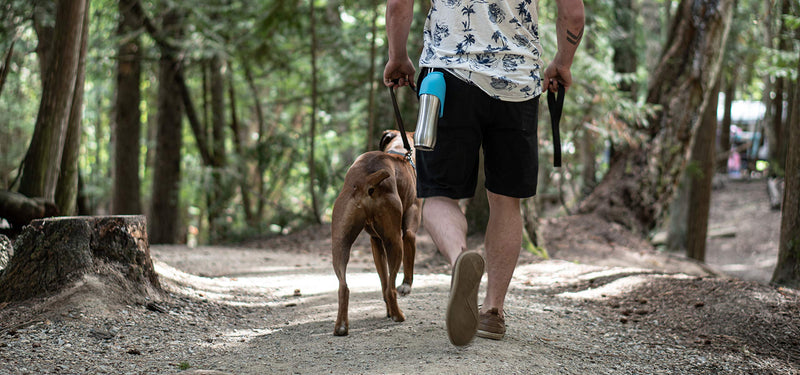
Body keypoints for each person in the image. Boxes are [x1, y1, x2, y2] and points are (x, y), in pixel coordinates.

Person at [384, 0, 584, 346]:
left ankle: (462, 259)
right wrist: (562, 63)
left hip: (445, 77)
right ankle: (492, 311)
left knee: (437, 194)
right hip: (518, 83)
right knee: (507, 201)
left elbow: (399, 3)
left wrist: (398, 56)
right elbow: (573, 12)